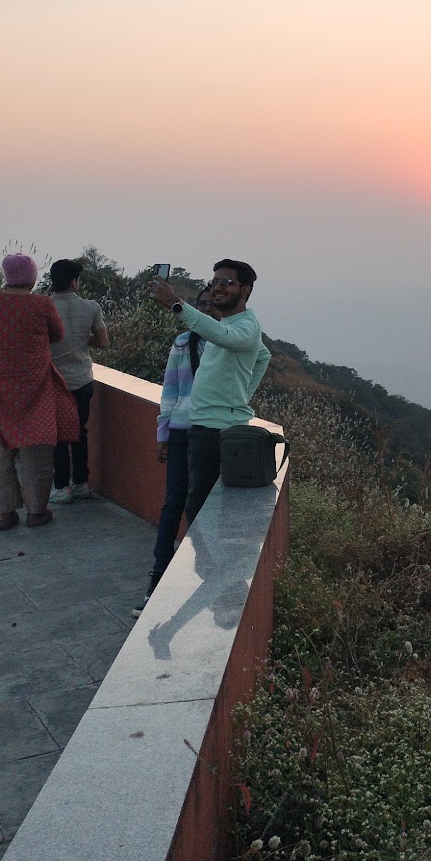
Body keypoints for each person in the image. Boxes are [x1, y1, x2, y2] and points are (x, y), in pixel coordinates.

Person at [148, 258, 271, 526]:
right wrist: (240, 396)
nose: (217, 288)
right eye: (214, 282)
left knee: (201, 509)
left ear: (246, 290)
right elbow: (263, 355)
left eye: (226, 282)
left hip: (218, 431)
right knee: (199, 506)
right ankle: (204, 565)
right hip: (205, 427)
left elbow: (224, 337)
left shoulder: (245, 326)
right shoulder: (231, 324)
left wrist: (176, 304)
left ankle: (204, 567)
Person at [133, 285, 215, 613]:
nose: (210, 309)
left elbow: (171, 393)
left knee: (180, 502)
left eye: (213, 305)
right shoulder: (186, 344)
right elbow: (170, 390)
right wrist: (162, 433)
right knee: (183, 503)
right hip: (197, 432)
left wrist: (165, 433)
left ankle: (162, 582)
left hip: (189, 431)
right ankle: (163, 576)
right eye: (204, 305)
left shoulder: (207, 345)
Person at [0, 253, 79, 531]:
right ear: (31, 276)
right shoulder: (41, 303)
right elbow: (58, 334)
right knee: (37, 444)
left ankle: (4, 512)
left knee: (3, 443)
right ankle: (36, 511)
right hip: (35, 381)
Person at [47, 257, 110, 502]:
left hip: (53, 380)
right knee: (79, 431)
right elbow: (103, 342)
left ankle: (61, 487)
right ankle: (82, 483)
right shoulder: (91, 308)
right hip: (82, 380)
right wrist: (83, 340)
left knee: (59, 434)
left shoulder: (45, 307)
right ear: (74, 282)